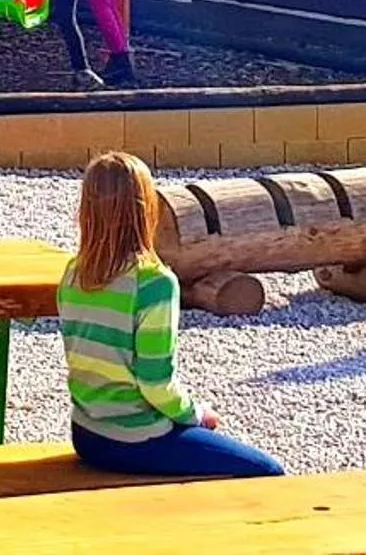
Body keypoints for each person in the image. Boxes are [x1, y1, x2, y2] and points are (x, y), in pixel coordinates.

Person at [61, 152, 284, 479]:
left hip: (87, 433)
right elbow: (155, 383)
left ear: (87, 211)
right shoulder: (154, 284)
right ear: (145, 209)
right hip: (134, 437)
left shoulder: (74, 273)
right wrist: (196, 414)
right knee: (266, 471)